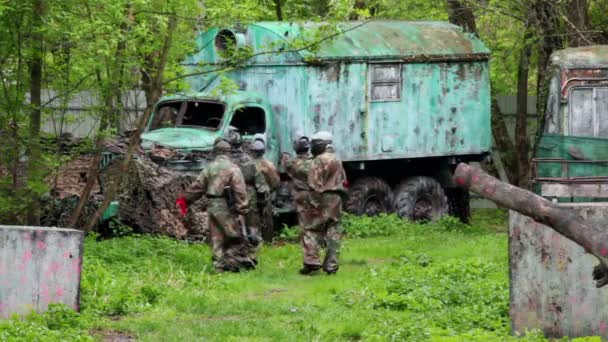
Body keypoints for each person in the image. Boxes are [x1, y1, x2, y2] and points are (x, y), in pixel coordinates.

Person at [176, 137, 254, 272]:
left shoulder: (209, 168)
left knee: (216, 236)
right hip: (227, 205)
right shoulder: (233, 169)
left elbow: (197, 187)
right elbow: (240, 190)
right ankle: (234, 262)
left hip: (212, 204)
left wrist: (184, 200)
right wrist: (242, 208)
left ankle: (219, 265)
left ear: (215, 151)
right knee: (234, 234)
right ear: (228, 152)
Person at [302, 131, 347, 275]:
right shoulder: (336, 159)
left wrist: (314, 204)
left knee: (311, 229)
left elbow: (314, 184)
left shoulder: (318, 160)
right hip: (336, 199)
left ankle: (311, 261)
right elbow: (343, 181)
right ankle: (331, 265)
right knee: (334, 231)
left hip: (322, 198)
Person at [226, 127, 269, 264]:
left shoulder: (223, 162)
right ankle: (251, 255)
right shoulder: (250, 162)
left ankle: (231, 257)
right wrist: (262, 205)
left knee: (229, 227)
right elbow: (261, 187)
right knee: (252, 227)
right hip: (249, 196)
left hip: (228, 196)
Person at [282, 135, 321, 274]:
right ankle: (317, 257)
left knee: (306, 229)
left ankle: (311, 260)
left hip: (302, 197)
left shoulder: (293, 164)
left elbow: (286, 165)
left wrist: (285, 156)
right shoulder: (315, 163)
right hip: (316, 196)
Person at [249, 134, 281, 240]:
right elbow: (276, 182)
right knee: (267, 218)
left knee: (253, 218)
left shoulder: (247, 164)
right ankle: (268, 240)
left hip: (250, 195)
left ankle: (253, 239)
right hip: (266, 195)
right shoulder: (269, 165)